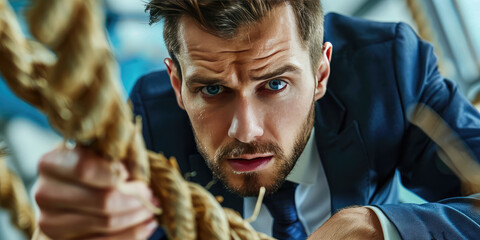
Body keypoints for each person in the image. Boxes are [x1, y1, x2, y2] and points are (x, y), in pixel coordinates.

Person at [34, 0, 480, 239]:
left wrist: (381, 229)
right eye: (212, 89)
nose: (245, 131)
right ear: (177, 86)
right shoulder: (148, 125)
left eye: (275, 85)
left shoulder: (390, 71)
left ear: (322, 72)